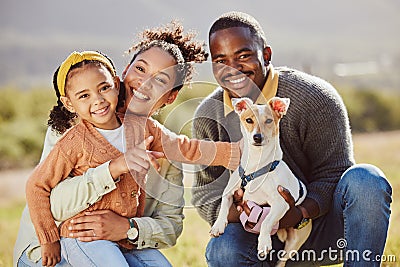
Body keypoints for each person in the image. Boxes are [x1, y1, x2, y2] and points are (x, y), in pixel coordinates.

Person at [15, 22, 240, 267]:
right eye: (141, 69)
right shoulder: (73, 127)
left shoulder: (157, 138)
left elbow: (171, 225)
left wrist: (128, 228)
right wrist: (112, 169)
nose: (145, 83)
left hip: (121, 243)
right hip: (58, 244)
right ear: (124, 72)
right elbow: (47, 199)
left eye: (161, 80)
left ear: (171, 96)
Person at [191, 11, 392, 266]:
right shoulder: (208, 115)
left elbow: (335, 172)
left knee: (367, 180)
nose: (233, 70)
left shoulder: (315, 97)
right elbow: (205, 192)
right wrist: (242, 212)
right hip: (257, 236)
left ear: (266, 55)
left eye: (243, 56)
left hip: (322, 231)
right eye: (221, 61)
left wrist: (299, 213)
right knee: (223, 249)